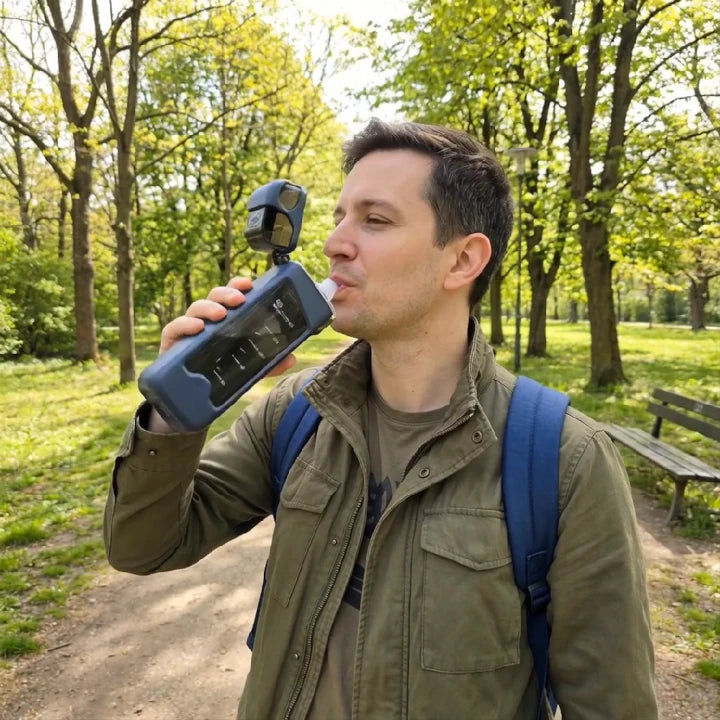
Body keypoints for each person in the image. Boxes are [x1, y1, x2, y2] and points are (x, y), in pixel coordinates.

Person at [104, 119, 657, 720]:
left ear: (463, 259)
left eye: (375, 220)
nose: (335, 242)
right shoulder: (295, 414)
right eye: (340, 216)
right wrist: (174, 415)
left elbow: (611, 704)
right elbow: (142, 548)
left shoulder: (563, 461)